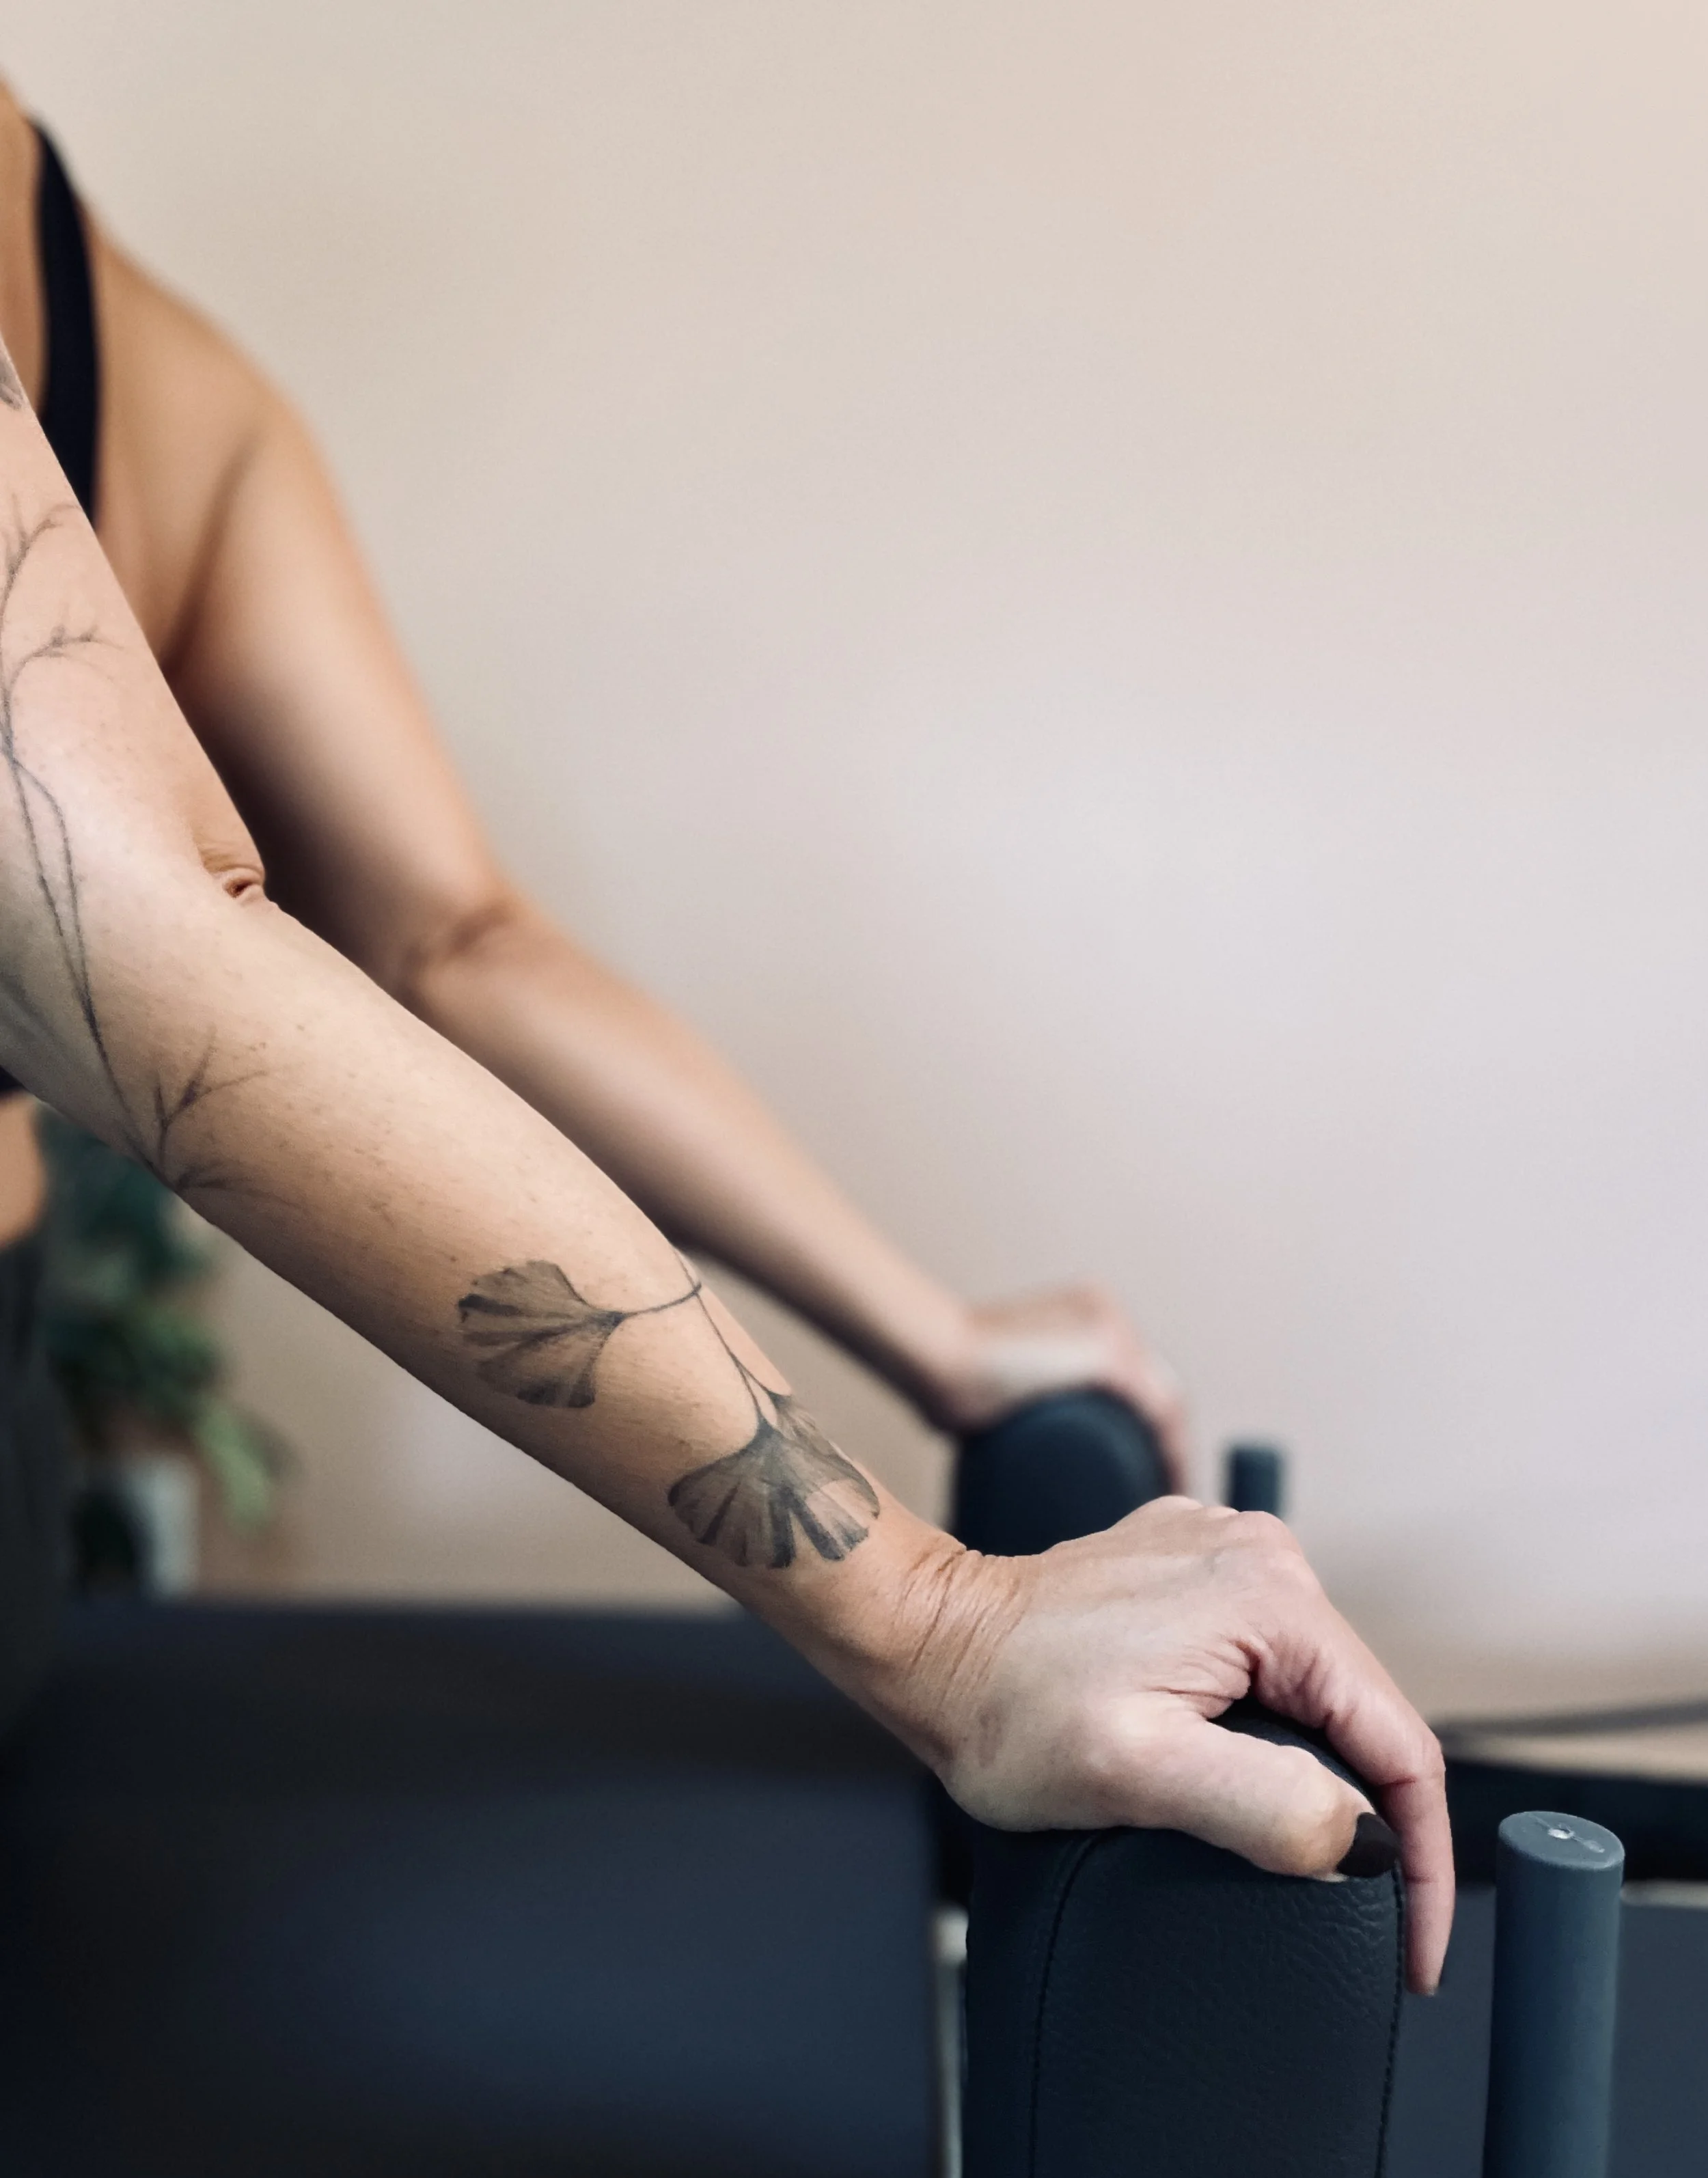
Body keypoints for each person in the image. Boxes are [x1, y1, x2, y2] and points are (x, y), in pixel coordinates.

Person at [0, 98, 1450, 1988]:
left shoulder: (125, 332)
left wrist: (943, 1366)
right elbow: (189, 942)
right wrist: (929, 1616)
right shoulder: (130, 336)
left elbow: (374, 937)